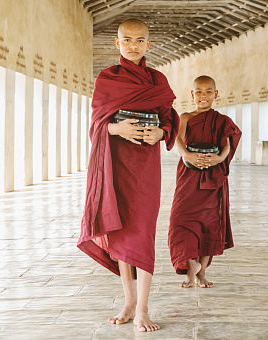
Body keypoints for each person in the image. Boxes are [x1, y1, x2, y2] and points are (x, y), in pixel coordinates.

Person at [77, 19, 179, 332]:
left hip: (145, 166)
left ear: (149, 45)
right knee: (120, 231)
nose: (133, 45)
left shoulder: (157, 80)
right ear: (117, 43)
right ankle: (129, 301)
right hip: (116, 164)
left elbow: (169, 119)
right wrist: (115, 128)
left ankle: (144, 309)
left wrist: (161, 133)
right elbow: (96, 124)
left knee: (143, 232)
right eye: (127, 40)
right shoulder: (107, 79)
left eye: (139, 40)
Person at [168, 75, 241, 288]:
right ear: (192, 94)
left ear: (216, 94)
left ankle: (200, 274)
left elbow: (227, 144)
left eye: (208, 91)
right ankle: (190, 267)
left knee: (209, 223)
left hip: (213, 177)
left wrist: (219, 158)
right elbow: (178, 140)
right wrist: (187, 156)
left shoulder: (222, 120)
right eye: (198, 92)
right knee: (179, 219)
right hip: (188, 176)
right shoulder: (186, 117)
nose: (203, 96)